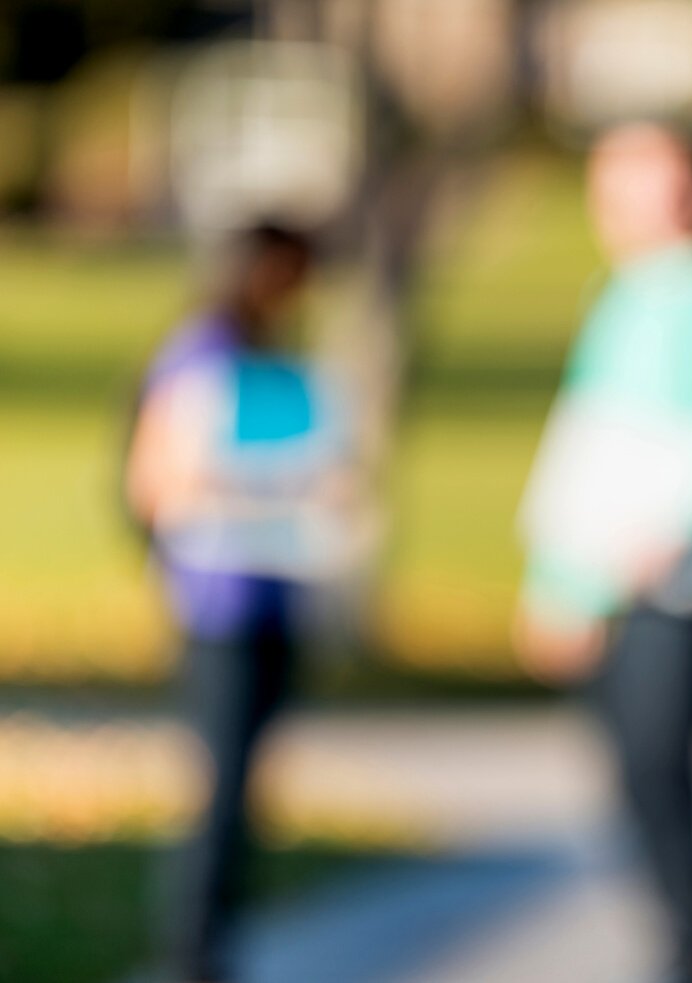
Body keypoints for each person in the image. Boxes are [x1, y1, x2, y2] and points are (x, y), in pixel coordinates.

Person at [515, 123, 692, 983]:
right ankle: (682, 933)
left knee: (666, 757)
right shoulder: (620, 298)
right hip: (607, 575)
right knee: (632, 769)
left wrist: (674, 532)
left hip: (683, 584)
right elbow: (590, 444)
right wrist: (557, 581)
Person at [126, 222, 364, 983]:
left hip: (277, 593)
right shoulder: (201, 357)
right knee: (220, 787)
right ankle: (194, 953)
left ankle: (215, 944)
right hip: (219, 600)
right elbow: (157, 481)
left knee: (245, 789)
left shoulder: (281, 363)